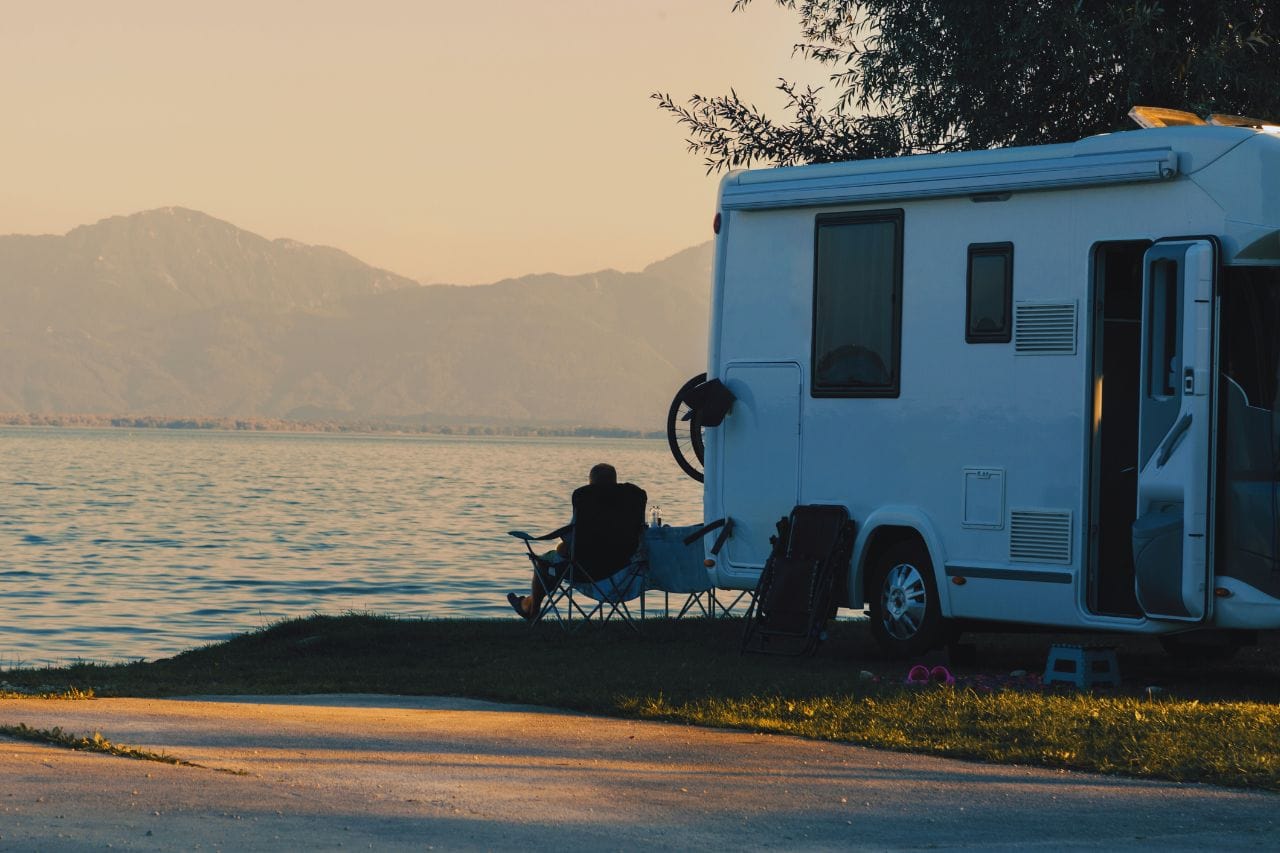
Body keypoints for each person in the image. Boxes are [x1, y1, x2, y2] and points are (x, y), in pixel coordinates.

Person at [508, 462, 647, 620]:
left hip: (584, 570)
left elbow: (567, 547)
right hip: (624, 570)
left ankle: (531, 609)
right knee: (556, 565)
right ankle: (528, 604)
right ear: (615, 481)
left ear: (590, 483)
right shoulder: (631, 502)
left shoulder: (586, 499)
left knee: (546, 563)